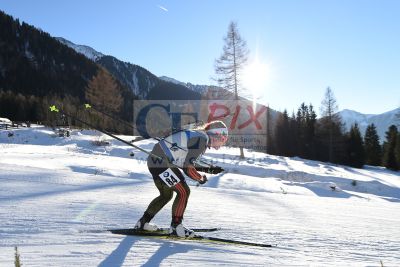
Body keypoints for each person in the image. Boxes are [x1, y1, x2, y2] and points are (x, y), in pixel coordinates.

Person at [134, 120, 228, 237]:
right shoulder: (201, 139)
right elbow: (188, 167)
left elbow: (188, 161)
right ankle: (176, 227)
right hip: (162, 163)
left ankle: (143, 223)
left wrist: (209, 169)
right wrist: (199, 178)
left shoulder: (199, 136)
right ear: (216, 135)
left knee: (166, 195)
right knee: (184, 192)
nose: (223, 143)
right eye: (223, 139)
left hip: (156, 161)